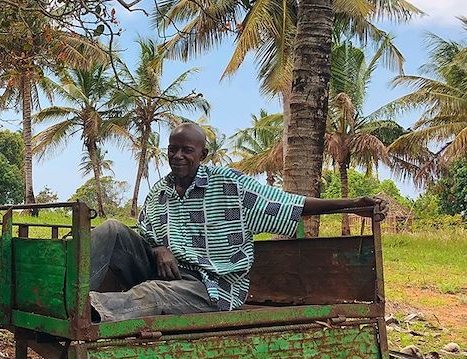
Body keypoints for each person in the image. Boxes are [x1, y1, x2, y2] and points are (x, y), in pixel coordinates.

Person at [89, 122, 388, 323]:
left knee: (152, 293)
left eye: (187, 150)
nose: (177, 156)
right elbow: (145, 233)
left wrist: (349, 205)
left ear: (202, 155)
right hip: (165, 272)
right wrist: (158, 248)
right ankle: (66, 295)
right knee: (112, 229)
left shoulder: (230, 187)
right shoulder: (159, 191)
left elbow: (289, 204)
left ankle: (90, 309)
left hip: (211, 287)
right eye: (172, 149)